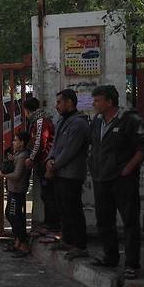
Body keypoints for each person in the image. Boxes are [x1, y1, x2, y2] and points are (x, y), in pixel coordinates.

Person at [88, 85, 144, 280]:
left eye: (98, 100)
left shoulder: (130, 120)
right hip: (101, 179)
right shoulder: (97, 122)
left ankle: (132, 264)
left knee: (130, 222)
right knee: (104, 220)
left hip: (123, 180)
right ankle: (111, 256)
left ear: (109, 101)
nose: (94, 104)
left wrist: (129, 167)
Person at [45, 89, 90, 260]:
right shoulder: (63, 120)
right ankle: (68, 239)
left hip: (71, 174)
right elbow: (55, 145)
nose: (56, 106)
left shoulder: (79, 124)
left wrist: (53, 166)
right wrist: (49, 160)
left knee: (73, 210)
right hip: (59, 172)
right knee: (63, 209)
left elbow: (70, 150)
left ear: (69, 102)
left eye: (59, 102)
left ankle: (80, 245)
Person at [22, 97, 57, 236]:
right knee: (46, 195)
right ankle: (50, 225)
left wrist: (31, 158)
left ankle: (52, 226)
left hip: (45, 163)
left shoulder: (40, 121)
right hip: (42, 162)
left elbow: (39, 143)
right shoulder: (37, 121)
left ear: (27, 110)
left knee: (48, 196)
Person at [0, 132, 32, 258]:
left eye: (15, 140)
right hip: (13, 190)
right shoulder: (18, 155)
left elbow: (17, 175)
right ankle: (18, 241)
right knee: (11, 214)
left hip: (17, 190)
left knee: (14, 216)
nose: (13, 142)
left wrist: (4, 176)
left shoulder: (23, 156)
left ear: (22, 142)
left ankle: (23, 244)